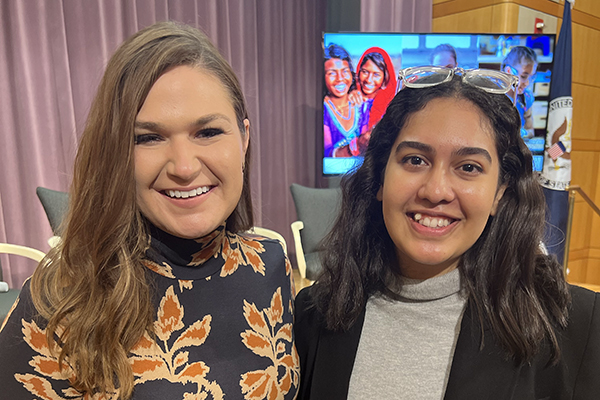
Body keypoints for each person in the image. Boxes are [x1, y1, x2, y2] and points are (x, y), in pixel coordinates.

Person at [0, 22, 299, 400]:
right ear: (116, 154)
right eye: (148, 138)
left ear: (244, 138)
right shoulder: (59, 303)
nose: (184, 167)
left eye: (207, 132)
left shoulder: (271, 266)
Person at [295, 66, 599, 399]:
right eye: (414, 160)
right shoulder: (313, 315)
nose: (436, 190)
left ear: (500, 192)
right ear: (380, 177)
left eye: (469, 167)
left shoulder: (575, 327)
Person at [323, 44, 370, 158]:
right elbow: (326, 154)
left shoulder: (361, 106)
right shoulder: (323, 109)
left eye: (345, 71)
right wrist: (355, 146)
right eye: (332, 73)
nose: (340, 78)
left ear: (351, 74)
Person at [353, 47, 397, 135]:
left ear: (385, 77)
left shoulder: (392, 104)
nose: (369, 80)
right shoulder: (350, 96)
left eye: (376, 74)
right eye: (365, 72)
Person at [502, 45, 538, 139]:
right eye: (523, 76)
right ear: (509, 71)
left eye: (532, 77)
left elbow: (530, 131)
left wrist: (522, 134)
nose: (527, 83)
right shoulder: (494, 96)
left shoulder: (526, 97)